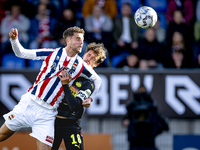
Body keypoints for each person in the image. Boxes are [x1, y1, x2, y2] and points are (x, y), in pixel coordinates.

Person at [0, 26, 101, 150]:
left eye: (82, 39)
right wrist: (14, 40)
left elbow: (97, 80)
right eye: (78, 39)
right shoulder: (51, 53)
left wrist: (90, 98)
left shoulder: (80, 65)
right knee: (2, 134)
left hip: (47, 113)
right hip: (29, 103)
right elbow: (21, 52)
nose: (82, 43)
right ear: (68, 41)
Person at [52, 42, 106, 150]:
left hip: (71, 124)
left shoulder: (89, 83)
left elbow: (75, 106)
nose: (88, 58)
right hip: (52, 121)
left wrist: (66, 85)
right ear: (83, 54)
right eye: (88, 55)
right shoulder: (69, 68)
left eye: (93, 58)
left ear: (96, 64)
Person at [122, 85, 169, 150]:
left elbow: (162, 125)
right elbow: (125, 120)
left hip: (149, 142)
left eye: (143, 91)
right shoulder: (133, 108)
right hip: (135, 143)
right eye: (140, 91)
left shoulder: (151, 108)